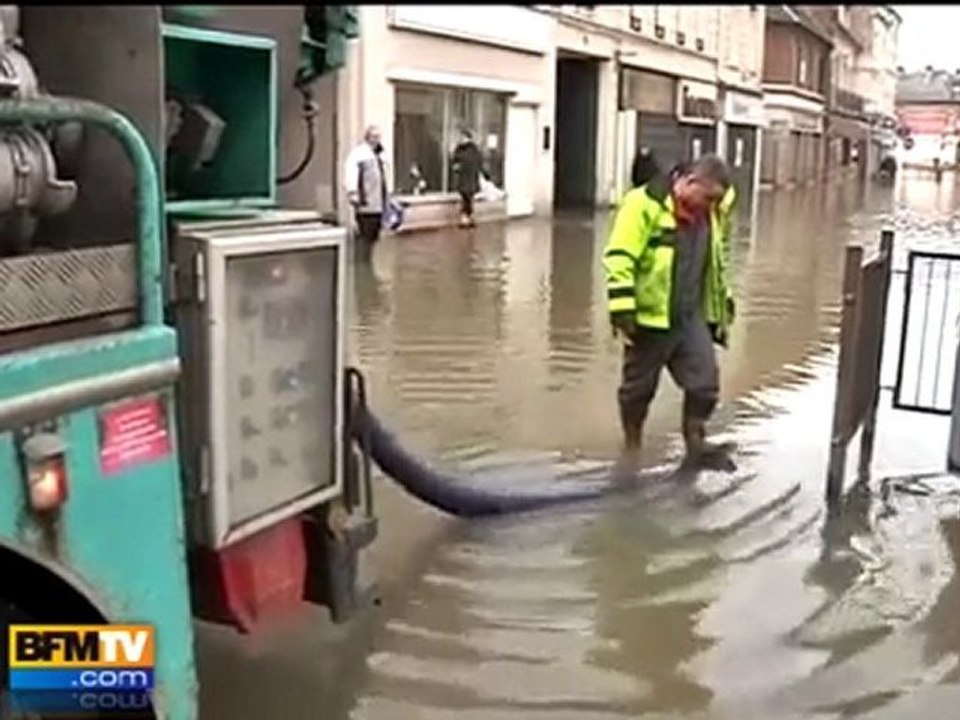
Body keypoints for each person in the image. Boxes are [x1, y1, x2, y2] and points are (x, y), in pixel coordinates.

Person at [602, 154, 737, 472]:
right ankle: (632, 445)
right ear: (688, 183)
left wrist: (723, 302)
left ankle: (695, 443)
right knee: (637, 391)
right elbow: (619, 256)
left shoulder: (713, 212)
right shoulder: (643, 204)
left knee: (705, 384)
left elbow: (717, 261)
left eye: (716, 200)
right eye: (707, 197)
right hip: (649, 320)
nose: (711, 205)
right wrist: (622, 308)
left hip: (690, 317)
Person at [343, 125, 388, 260]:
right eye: (373, 136)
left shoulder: (378, 155)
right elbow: (350, 172)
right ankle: (361, 263)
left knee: (374, 237)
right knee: (365, 236)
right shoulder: (359, 153)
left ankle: (368, 262)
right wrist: (352, 192)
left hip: (378, 204)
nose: (376, 140)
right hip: (365, 204)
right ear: (367, 137)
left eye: (378, 137)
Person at [451, 129, 484, 228]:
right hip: (463, 178)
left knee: (468, 198)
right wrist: (456, 166)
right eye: (461, 137)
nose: (461, 139)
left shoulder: (473, 150)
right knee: (465, 198)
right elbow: (454, 161)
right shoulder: (460, 149)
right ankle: (467, 218)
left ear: (468, 138)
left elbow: (478, 162)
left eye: (463, 137)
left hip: (470, 178)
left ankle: (467, 218)